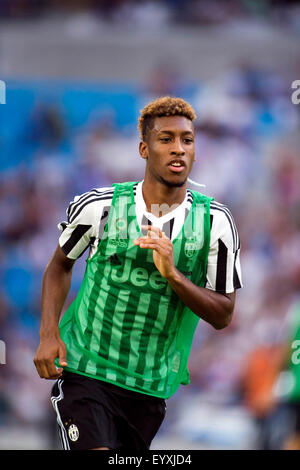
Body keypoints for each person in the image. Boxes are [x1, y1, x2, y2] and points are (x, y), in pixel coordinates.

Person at [34, 96, 243, 450]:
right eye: (166, 139)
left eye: (187, 140)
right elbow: (59, 265)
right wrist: (48, 333)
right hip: (87, 372)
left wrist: (174, 275)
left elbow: (223, 313)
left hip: (148, 388)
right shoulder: (99, 207)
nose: (178, 149)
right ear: (144, 149)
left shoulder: (215, 223)